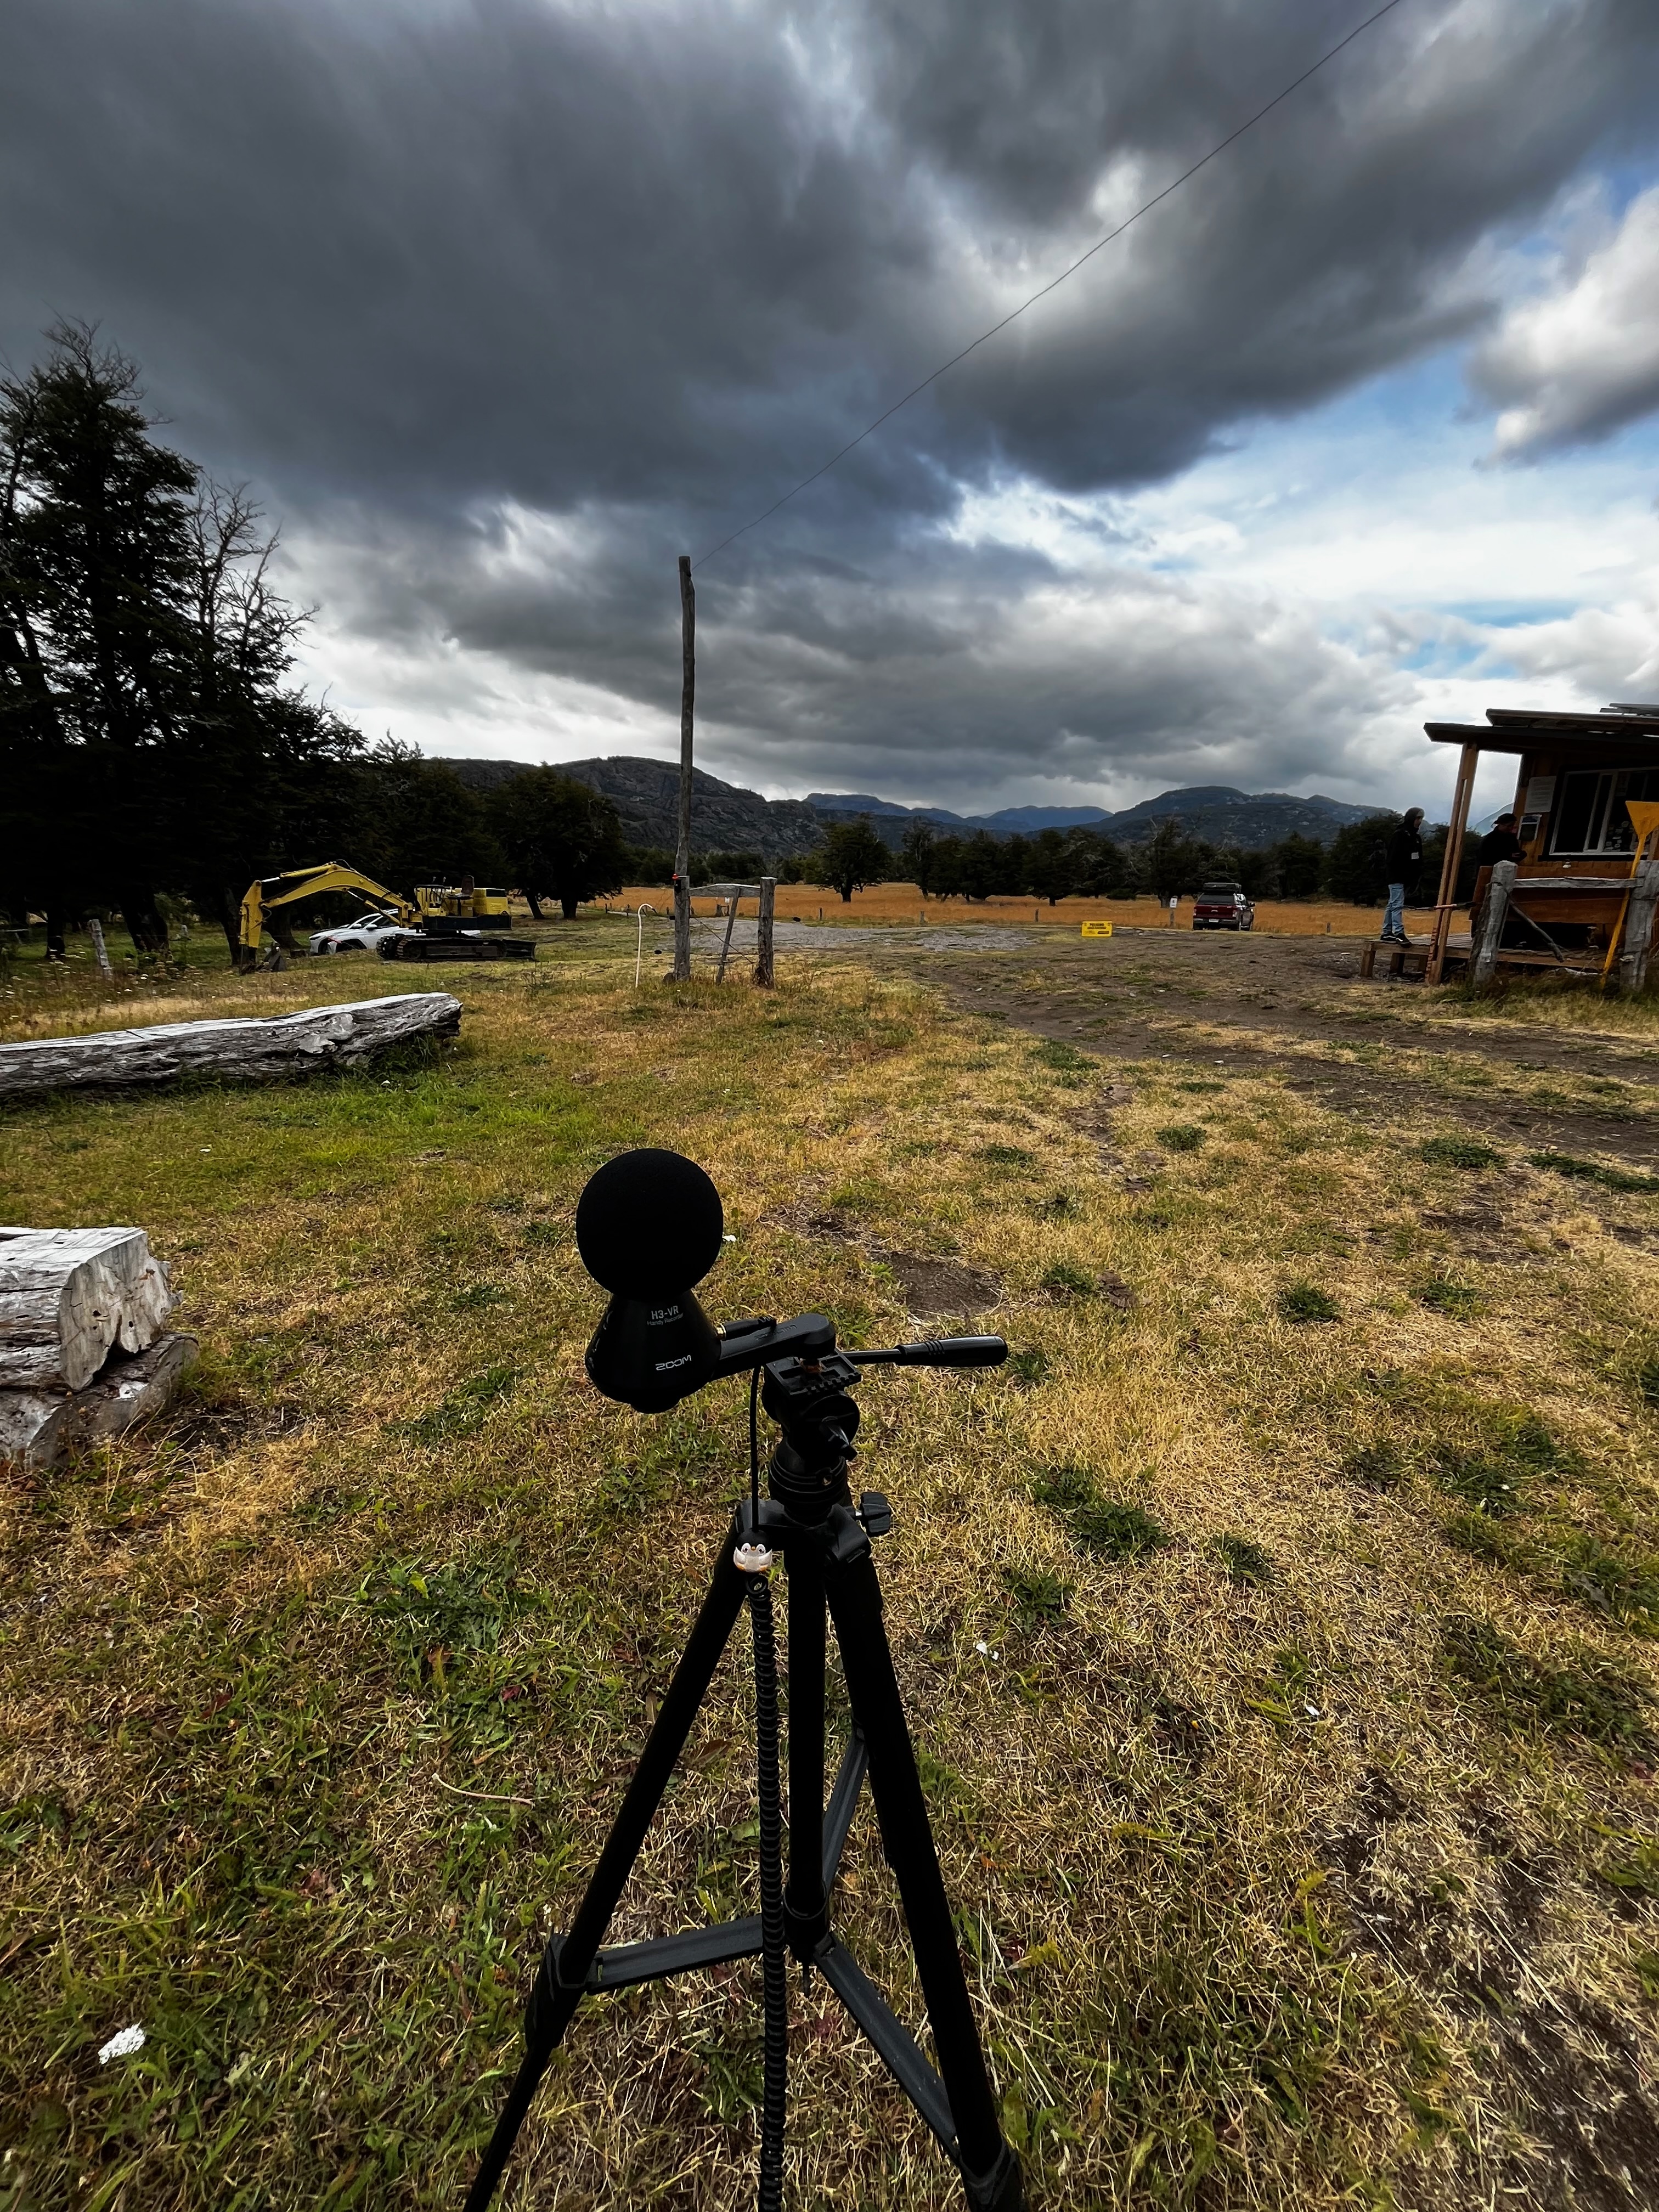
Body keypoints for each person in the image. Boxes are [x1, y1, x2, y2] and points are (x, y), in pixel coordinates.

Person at [1469, 812, 1525, 945]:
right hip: (1488, 875)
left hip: (1507, 876)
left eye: (1512, 826)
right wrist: (1507, 856)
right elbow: (1485, 857)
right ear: (1500, 824)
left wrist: (1520, 855)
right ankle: (1476, 932)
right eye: (1508, 826)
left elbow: (1517, 852)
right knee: (1482, 903)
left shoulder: (1512, 839)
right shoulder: (1490, 839)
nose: (1510, 828)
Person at [1382, 807, 1425, 945]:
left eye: (1421, 819)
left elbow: (1419, 859)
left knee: (1392, 904)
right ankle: (1399, 933)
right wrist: (1403, 871)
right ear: (1411, 819)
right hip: (1396, 876)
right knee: (1397, 905)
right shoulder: (1399, 835)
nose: (1419, 822)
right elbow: (1392, 859)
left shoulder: (1416, 838)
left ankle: (1387, 932)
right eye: (1417, 818)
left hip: (1407, 878)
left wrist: (1415, 876)